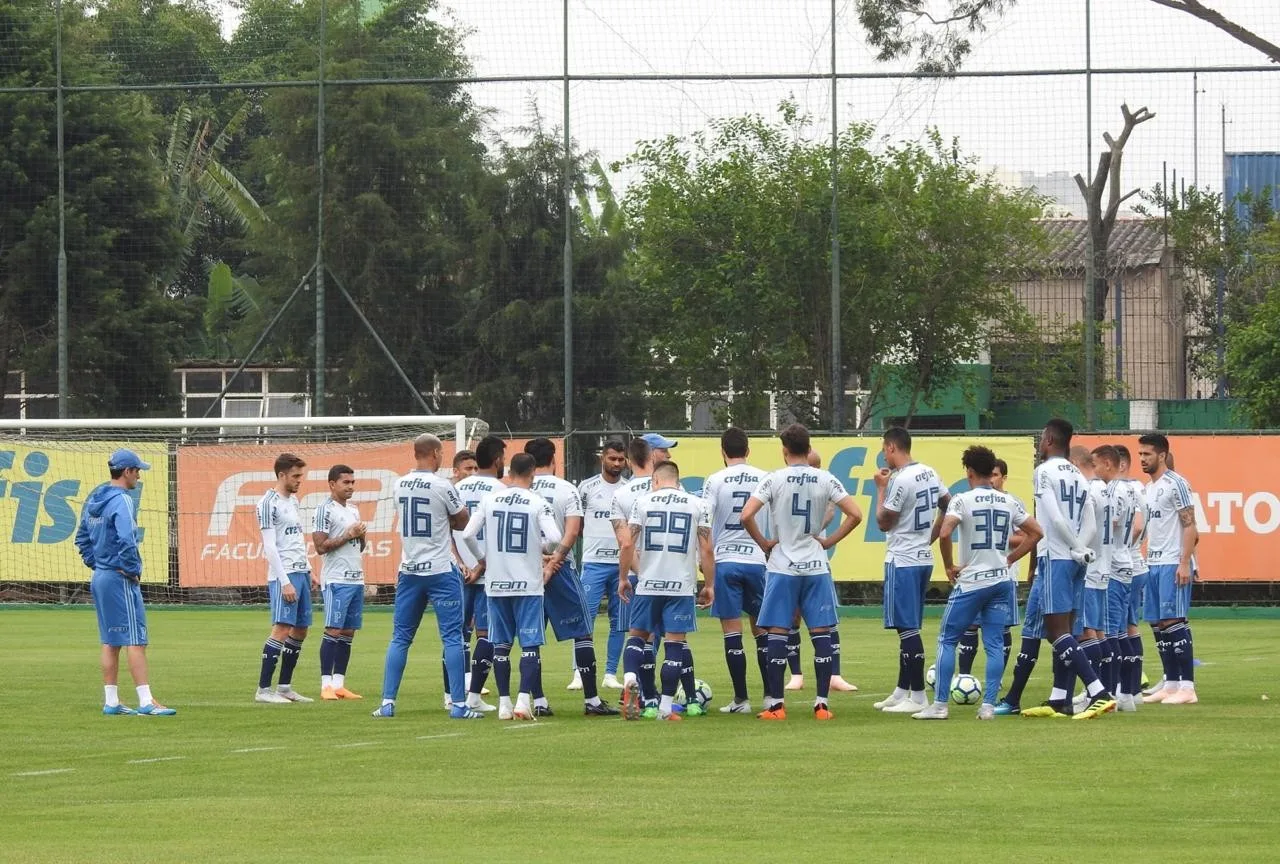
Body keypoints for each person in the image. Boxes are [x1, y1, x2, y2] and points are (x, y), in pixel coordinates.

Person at [740, 423, 863, 721]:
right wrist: (828, 541)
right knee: (821, 632)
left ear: (784, 451)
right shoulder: (826, 479)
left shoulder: (774, 480)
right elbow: (856, 514)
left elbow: (746, 515)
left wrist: (765, 543)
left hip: (783, 566)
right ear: (809, 450)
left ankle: (777, 706)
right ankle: (821, 705)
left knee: (778, 632)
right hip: (815, 566)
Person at [913, 446, 1042, 720]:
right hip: (1001, 581)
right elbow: (1037, 533)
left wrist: (949, 565)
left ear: (969, 472)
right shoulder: (1009, 501)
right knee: (994, 643)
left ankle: (939, 705)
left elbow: (945, 532)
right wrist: (1010, 559)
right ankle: (988, 706)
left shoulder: (962, 500)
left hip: (972, 582)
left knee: (947, 639)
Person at [373, 434, 479, 719]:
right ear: (434, 453)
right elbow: (463, 521)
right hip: (441, 570)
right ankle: (458, 705)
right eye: (442, 453)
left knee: (400, 637)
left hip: (409, 571)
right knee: (453, 638)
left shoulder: (398, 484)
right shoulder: (442, 485)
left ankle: (387, 703)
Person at [1018, 419, 1115, 720]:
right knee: (1070, 629)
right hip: (1077, 560)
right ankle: (1060, 698)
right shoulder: (1078, 473)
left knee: (1055, 631)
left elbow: (1054, 517)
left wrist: (1073, 545)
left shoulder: (1043, 472)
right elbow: (1090, 520)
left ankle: (1098, 691)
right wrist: (1082, 547)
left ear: (1048, 439)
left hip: (1058, 556)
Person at [458, 453, 562, 720]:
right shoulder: (537, 502)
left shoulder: (489, 499)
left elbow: (468, 534)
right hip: (528, 583)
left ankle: (504, 704)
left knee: (500, 644)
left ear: (510, 472)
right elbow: (554, 538)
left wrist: (482, 559)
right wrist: (541, 550)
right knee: (529, 646)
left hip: (496, 583)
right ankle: (523, 701)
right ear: (533, 474)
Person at [75, 448, 175, 716]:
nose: (139, 477)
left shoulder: (95, 497)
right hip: (119, 578)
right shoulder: (122, 500)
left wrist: (98, 565)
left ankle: (112, 701)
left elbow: (82, 538)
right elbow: (127, 538)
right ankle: (146, 701)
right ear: (127, 471)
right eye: (137, 471)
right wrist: (131, 569)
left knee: (110, 640)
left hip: (101, 578)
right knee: (136, 639)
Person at [527, 437, 619, 716]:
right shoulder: (566, 489)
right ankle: (591, 700)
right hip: (560, 568)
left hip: (527, 568)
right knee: (583, 632)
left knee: (531, 635)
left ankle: (539, 702)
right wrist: (556, 559)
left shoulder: (520, 490)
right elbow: (572, 529)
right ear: (554, 460)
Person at [617, 461, 715, 721]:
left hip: (649, 583)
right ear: (677, 479)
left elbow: (627, 544)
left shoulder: (643, 502)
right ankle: (665, 709)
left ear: (656, 480)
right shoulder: (698, 505)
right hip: (680, 585)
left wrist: (623, 577)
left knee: (637, 638)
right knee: (675, 646)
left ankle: (629, 679)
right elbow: (706, 549)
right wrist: (710, 585)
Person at [871, 426, 951, 714]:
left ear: (892, 447)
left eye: (884, 449)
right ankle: (902, 689)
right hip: (921, 556)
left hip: (903, 558)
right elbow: (948, 504)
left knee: (907, 629)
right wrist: (929, 537)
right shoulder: (930, 472)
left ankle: (918, 696)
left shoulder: (899, 480)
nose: (884, 455)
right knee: (909, 626)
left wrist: (880, 489)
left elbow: (883, 522)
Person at [702, 427, 770, 714]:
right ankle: (771, 697)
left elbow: (704, 525)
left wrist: (705, 568)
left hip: (726, 560)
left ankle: (741, 700)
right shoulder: (765, 476)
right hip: (757, 560)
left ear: (722, 451)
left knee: (732, 633)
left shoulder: (714, 480)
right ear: (748, 450)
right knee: (763, 632)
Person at [1138, 433, 1200, 705]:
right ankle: (1171, 682)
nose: (1142, 459)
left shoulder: (1177, 483)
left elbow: (1190, 525)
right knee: (1158, 623)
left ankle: (1188, 687)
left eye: (1147, 454)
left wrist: (1185, 561)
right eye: (1140, 454)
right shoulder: (1147, 488)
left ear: (1162, 455)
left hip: (1173, 561)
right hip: (1151, 561)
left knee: (1174, 620)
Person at [255, 453, 316, 704]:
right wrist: (285, 581)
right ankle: (263, 690)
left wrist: (309, 568)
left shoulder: (293, 501)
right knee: (282, 628)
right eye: (296, 476)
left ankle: (284, 687)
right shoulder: (267, 503)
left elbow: (294, 539)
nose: (300, 480)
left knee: (300, 629)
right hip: (285, 573)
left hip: (300, 570)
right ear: (282, 475)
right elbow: (270, 546)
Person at [453, 435, 507, 713]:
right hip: (489, 572)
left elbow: (446, 531)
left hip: (459, 571)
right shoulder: (501, 490)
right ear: (498, 459)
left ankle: (451, 695)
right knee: (486, 635)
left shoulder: (457, 488)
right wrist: (480, 565)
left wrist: (460, 563)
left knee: (455, 635)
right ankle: (473, 695)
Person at [1094, 445, 1145, 711]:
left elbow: (1111, 523)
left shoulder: (1113, 491)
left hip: (1114, 563)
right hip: (1128, 561)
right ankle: (1128, 692)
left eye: (1096, 466)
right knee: (1123, 629)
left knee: (1111, 631)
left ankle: (1111, 694)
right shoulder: (1133, 489)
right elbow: (1137, 524)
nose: (1094, 472)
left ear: (1109, 464)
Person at [575, 439, 628, 690]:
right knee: (586, 617)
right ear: (602, 458)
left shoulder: (629, 490)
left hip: (621, 565)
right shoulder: (586, 488)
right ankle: (578, 671)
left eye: (620, 459)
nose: (616, 463)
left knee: (619, 621)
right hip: (594, 562)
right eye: (612, 458)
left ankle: (610, 673)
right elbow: (578, 524)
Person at [957, 458, 1017, 675]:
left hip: (1004, 573)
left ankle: (997, 678)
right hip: (976, 574)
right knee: (971, 625)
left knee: (1002, 628)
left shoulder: (1011, 502)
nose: (992, 479)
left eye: (996, 475)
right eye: (989, 474)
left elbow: (1029, 535)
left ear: (1004, 478)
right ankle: (964, 676)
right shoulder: (972, 500)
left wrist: (998, 541)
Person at [611, 437, 659, 708]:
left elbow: (624, 542)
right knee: (674, 638)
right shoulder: (666, 489)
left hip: (639, 572)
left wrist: (632, 574)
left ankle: (637, 686)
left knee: (639, 634)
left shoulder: (621, 494)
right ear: (652, 458)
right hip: (667, 573)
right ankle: (654, 696)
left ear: (628, 461)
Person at [313, 464, 367, 701]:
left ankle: (339, 684)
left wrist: (361, 536)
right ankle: (325, 684)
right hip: (336, 579)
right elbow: (320, 546)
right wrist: (348, 535)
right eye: (346, 482)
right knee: (333, 630)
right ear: (332, 484)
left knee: (348, 632)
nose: (351, 487)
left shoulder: (354, 510)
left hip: (356, 578)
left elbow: (360, 546)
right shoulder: (324, 510)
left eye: (353, 482)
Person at [1069, 445, 1114, 711]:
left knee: (1086, 632)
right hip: (1103, 565)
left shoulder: (1088, 489)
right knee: (1097, 631)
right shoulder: (1104, 490)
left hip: (1089, 566)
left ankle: (1095, 692)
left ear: (1076, 463)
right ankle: (1106, 691)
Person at [1116, 444, 1151, 697]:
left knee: (1121, 627)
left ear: (1121, 465)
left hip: (1127, 564)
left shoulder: (1128, 489)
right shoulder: (1140, 488)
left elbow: (1137, 526)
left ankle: (1127, 686)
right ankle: (1133, 686)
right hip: (1137, 563)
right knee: (1130, 626)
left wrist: (1118, 547)